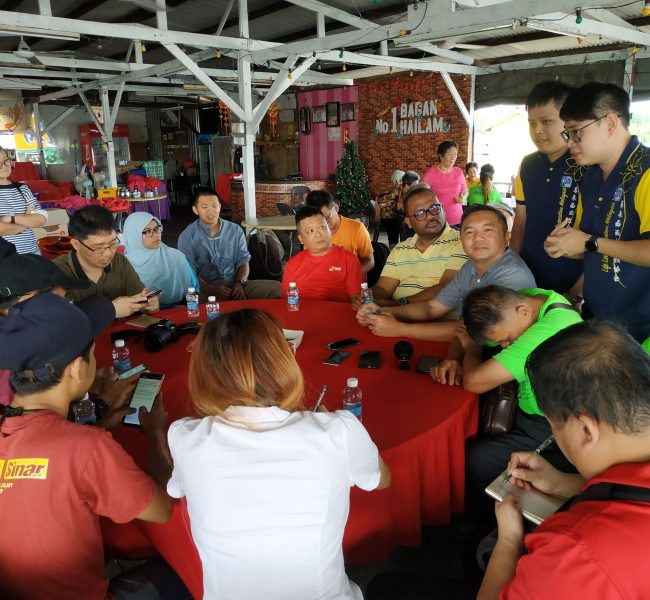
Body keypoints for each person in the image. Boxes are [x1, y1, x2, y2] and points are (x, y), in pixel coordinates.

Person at [167, 308, 391, 600]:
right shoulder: (339, 431)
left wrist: (155, 432)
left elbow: (174, 489)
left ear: (202, 373)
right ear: (284, 362)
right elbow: (381, 479)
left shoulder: (184, 437)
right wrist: (341, 426)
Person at [0, 293, 181, 599]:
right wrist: (154, 433)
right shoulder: (87, 448)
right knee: (184, 569)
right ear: (75, 368)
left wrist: (100, 426)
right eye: (93, 354)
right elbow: (162, 509)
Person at [478, 320, 650, 599]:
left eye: (554, 426)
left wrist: (509, 539)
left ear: (586, 430)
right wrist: (564, 483)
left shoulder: (577, 549)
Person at [433, 285, 582, 527]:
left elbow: (474, 382)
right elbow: (464, 329)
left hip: (553, 428)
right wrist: (454, 356)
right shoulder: (532, 300)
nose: (504, 346)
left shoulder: (551, 329)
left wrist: (472, 349)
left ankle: (484, 528)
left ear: (523, 311)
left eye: (506, 340)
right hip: (528, 412)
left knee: (474, 460)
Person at [545, 82, 650, 343]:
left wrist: (588, 242)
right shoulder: (590, 177)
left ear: (611, 123)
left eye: (576, 132)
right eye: (567, 134)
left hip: (640, 331)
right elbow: (595, 248)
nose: (570, 143)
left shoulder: (645, 172)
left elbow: (594, 243)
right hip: (598, 322)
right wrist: (568, 246)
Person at [357, 205, 535, 341]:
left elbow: (472, 330)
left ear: (507, 238)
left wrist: (398, 329)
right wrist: (385, 311)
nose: (478, 238)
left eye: (488, 230)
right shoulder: (471, 267)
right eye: (469, 232)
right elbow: (432, 308)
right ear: (461, 239)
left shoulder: (512, 275)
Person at [510, 82, 585, 294]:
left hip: (573, 282)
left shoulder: (587, 164)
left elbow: (601, 237)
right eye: (531, 123)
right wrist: (511, 266)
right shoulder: (527, 164)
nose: (538, 130)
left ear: (569, 121)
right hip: (527, 278)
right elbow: (521, 219)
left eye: (546, 121)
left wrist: (577, 294)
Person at [352, 183, 466, 308]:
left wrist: (400, 303)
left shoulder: (461, 242)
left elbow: (447, 286)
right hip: (393, 315)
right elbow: (383, 288)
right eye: (420, 213)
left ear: (442, 209)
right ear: (408, 222)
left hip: (439, 317)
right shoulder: (400, 249)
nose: (430, 216)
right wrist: (367, 297)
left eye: (434, 208)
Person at [53, 204, 160, 318]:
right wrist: (110, 311)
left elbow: (141, 298)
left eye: (113, 243)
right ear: (76, 245)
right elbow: (56, 323)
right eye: (99, 248)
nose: (108, 253)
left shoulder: (119, 261)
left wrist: (149, 305)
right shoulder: (54, 273)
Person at [178, 186, 281, 300]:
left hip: (236, 285)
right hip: (206, 290)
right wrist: (214, 290)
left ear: (220, 207)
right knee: (194, 301)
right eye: (205, 207)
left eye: (214, 206)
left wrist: (240, 283)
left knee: (277, 289)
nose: (211, 211)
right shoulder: (187, 236)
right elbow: (190, 273)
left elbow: (243, 260)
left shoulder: (235, 230)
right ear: (195, 210)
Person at [282, 206, 363, 302]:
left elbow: (356, 301)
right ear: (301, 239)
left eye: (322, 227)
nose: (318, 235)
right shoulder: (292, 266)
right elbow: (287, 303)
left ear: (329, 228)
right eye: (310, 231)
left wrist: (358, 302)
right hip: (303, 311)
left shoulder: (349, 260)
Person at [123, 211, 198, 306]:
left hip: (178, 310)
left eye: (157, 229)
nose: (156, 234)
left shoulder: (176, 257)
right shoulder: (124, 265)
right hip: (140, 313)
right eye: (148, 231)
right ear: (133, 235)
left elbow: (193, 291)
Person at [305, 189, 375, 274]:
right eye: (318, 222)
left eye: (327, 218)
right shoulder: (311, 234)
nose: (324, 225)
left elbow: (369, 261)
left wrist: (351, 275)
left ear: (335, 208)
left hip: (352, 278)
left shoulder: (357, 229)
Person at [0, 147, 47, 255]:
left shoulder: (22, 189)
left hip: (33, 254)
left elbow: (41, 218)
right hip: (5, 260)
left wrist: (9, 219)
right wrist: (27, 220)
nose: (4, 166)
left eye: (6, 160)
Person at [421, 140, 468, 226]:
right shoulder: (431, 173)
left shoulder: (458, 172)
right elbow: (422, 194)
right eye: (450, 154)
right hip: (438, 219)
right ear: (441, 156)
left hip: (458, 218)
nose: (453, 157)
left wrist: (463, 197)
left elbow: (465, 191)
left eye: (455, 154)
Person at [375, 169, 405, 248]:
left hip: (387, 221)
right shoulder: (404, 192)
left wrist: (377, 223)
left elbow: (377, 215)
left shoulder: (383, 195)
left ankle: (393, 247)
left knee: (394, 228)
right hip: (399, 220)